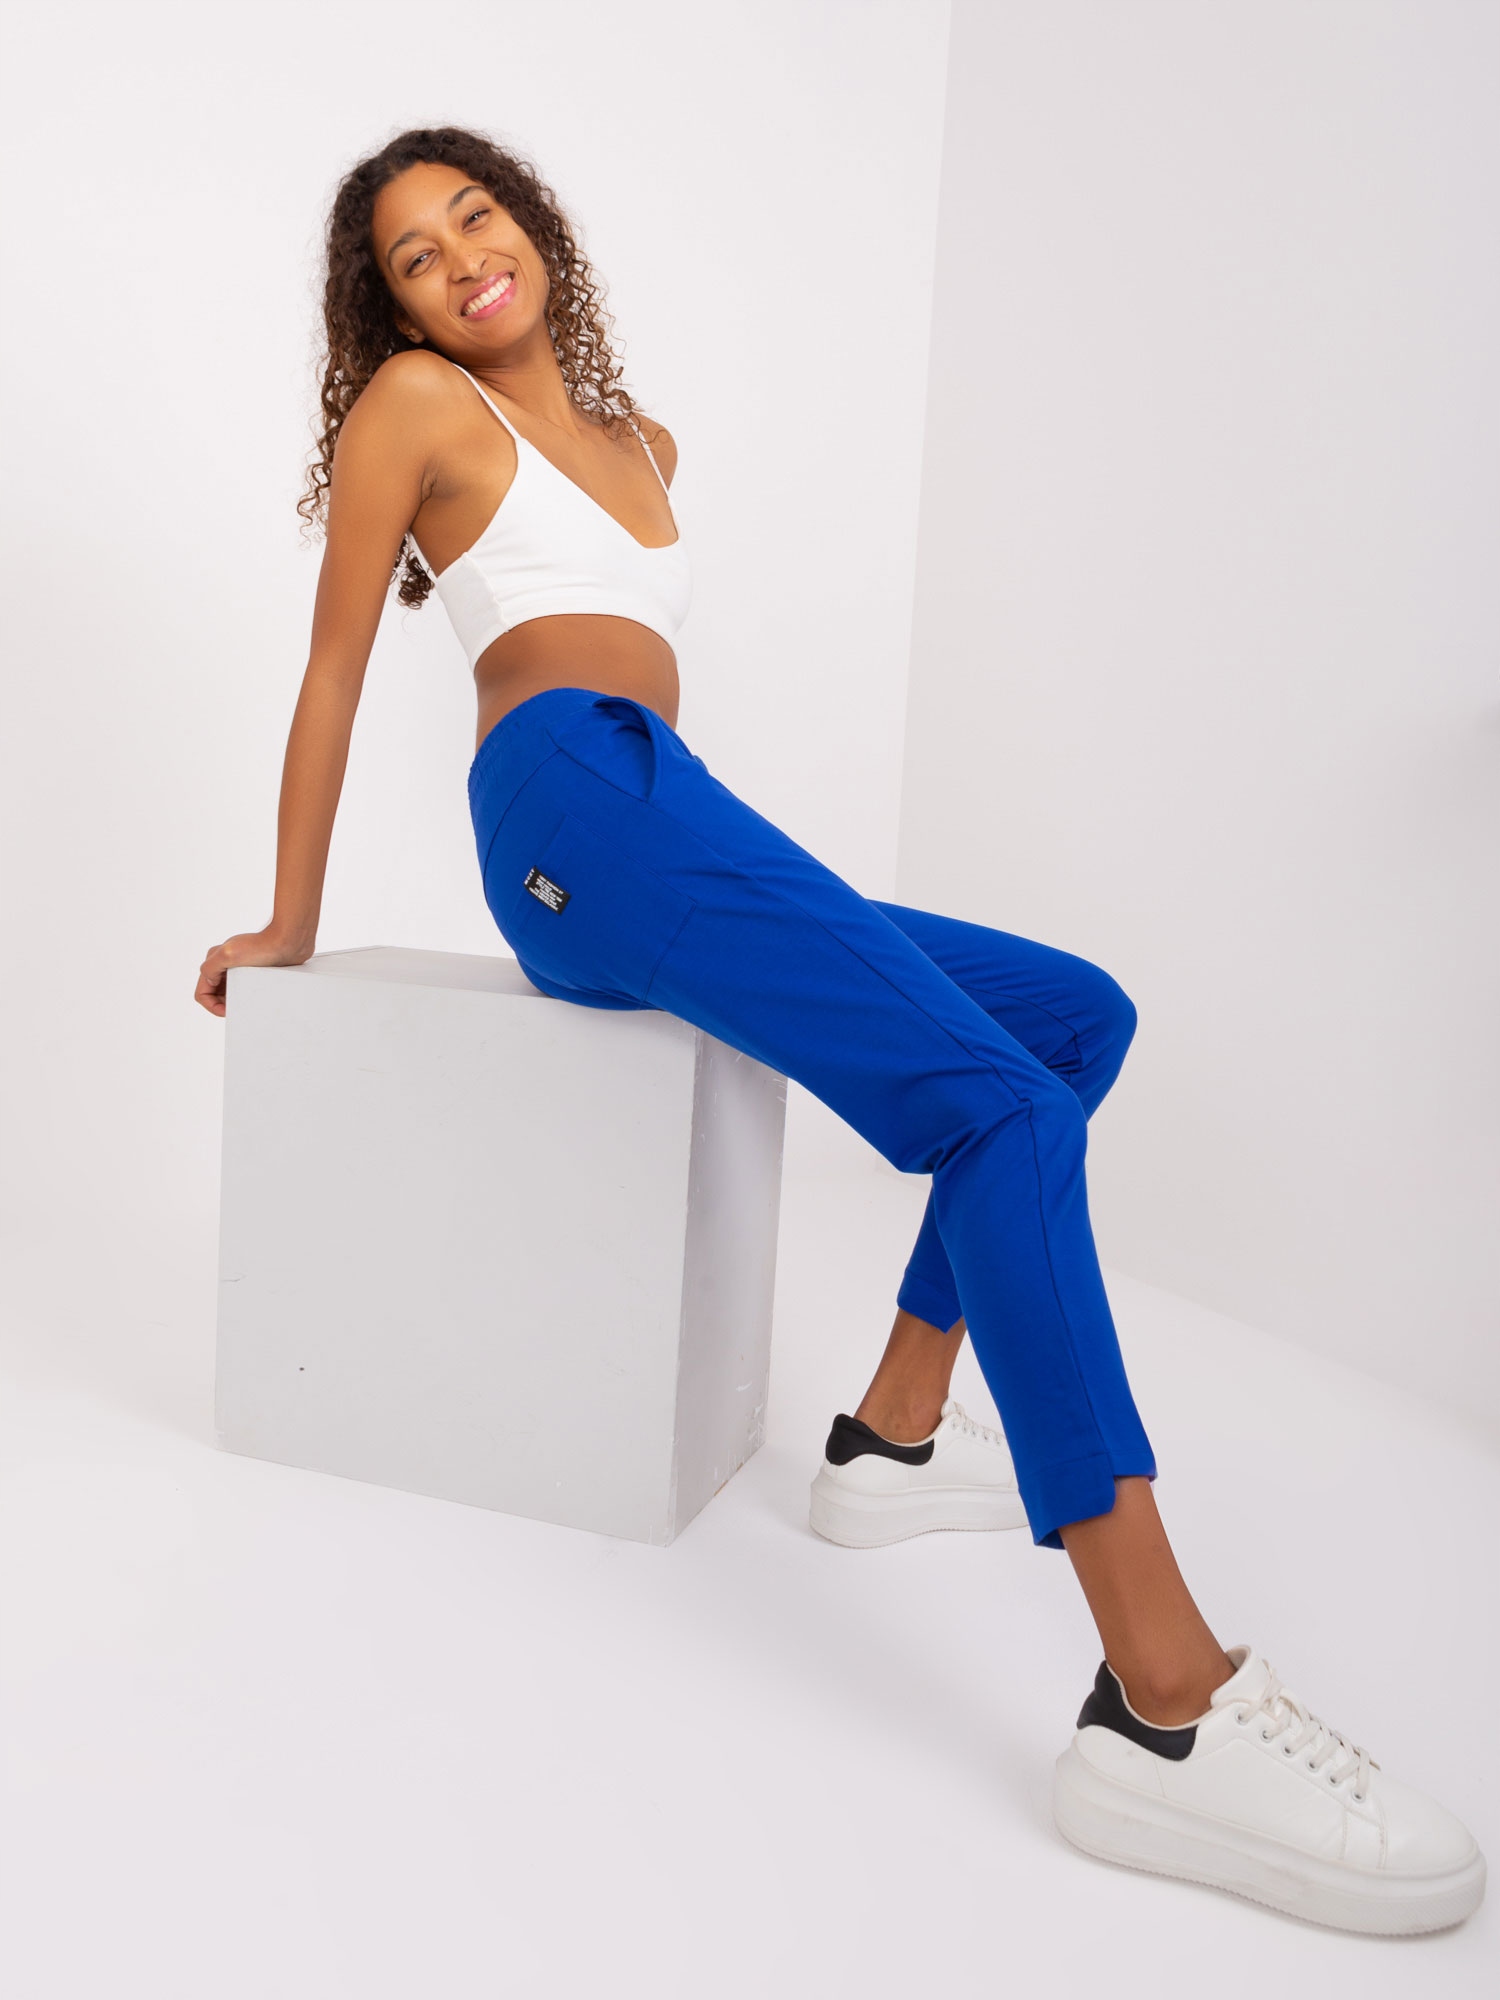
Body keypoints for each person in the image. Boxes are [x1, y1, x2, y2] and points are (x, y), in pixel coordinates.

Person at [195, 125, 1483, 1936]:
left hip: (664, 804)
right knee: (1001, 1114)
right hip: (569, 810)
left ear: (533, 222)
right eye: (413, 254)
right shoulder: (419, 405)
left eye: (475, 215)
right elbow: (334, 668)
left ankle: (896, 1431)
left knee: (1068, 1022)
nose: (459, 257)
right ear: (390, 308)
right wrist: (291, 922)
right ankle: (1166, 1701)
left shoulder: (645, 445)